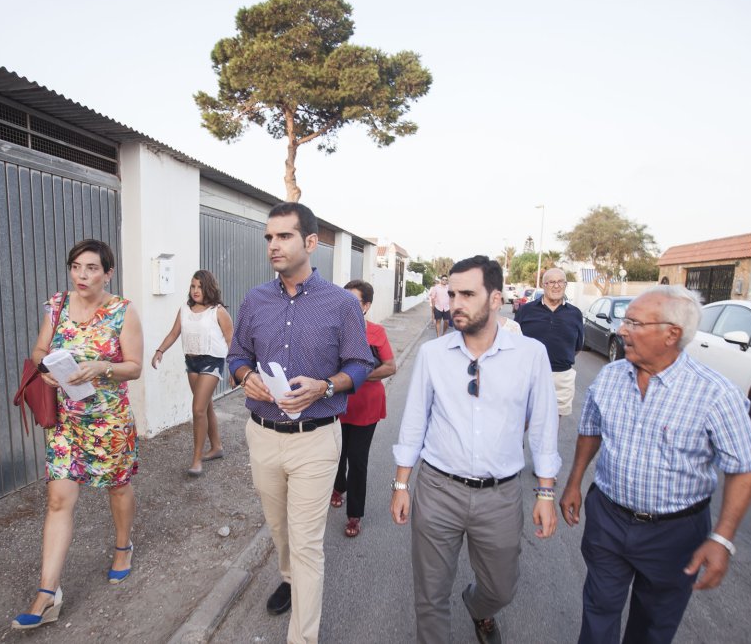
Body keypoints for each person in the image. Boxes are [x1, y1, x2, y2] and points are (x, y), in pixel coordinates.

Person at [559, 285, 751, 644]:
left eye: (635, 323)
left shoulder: (715, 394)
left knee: (653, 625)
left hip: (675, 533)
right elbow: (590, 431)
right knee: (599, 608)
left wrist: (723, 538)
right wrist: (574, 482)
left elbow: (742, 468)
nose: (622, 329)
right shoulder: (609, 377)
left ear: (672, 334)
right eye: (625, 321)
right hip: (608, 518)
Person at [391, 255, 561, 644]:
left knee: (501, 588)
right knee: (430, 596)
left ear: (496, 298)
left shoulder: (530, 354)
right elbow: (415, 419)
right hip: (437, 490)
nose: (456, 303)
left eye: (468, 294)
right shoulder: (434, 354)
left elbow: (544, 426)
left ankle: (479, 607)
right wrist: (402, 484)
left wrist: (546, 492)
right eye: (452, 294)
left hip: (500, 496)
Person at [227, 202, 375, 644]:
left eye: (284, 236)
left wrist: (326, 387)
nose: (274, 245)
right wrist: (245, 377)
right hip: (263, 436)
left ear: (310, 243)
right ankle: (288, 578)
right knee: (280, 529)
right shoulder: (255, 299)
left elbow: (361, 364)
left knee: (308, 542)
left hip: (316, 440)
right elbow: (235, 356)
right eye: (269, 237)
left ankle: (303, 637)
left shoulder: (341, 304)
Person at [12, 239, 143, 630]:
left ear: (108, 273)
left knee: (116, 487)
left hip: (108, 420)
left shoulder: (122, 312)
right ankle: (47, 593)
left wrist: (102, 366)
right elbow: (38, 350)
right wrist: (46, 369)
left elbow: (134, 367)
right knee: (58, 499)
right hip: (65, 419)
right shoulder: (57, 306)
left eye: (91, 268)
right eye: (76, 267)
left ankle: (123, 547)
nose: (82, 275)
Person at [330, 279, 397, 538]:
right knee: (336, 453)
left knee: (357, 460)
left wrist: (356, 376)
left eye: (353, 301)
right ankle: (338, 487)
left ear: (366, 306)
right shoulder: (333, 331)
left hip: (366, 405)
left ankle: (355, 514)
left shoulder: (376, 332)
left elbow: (390, 367)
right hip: (336, 403)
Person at [151, 270, 233, 476]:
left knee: (197, 410)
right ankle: (216, 447)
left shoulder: (218, 311)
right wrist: (159, 351)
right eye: (193, 286)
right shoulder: (184, 310)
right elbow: (173, 333)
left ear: (209, 288)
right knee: (206, 407)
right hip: (192, 362)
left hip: (212, 362)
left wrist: (235, 370)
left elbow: (232, 341)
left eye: (200, 287)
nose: (196, 291)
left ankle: (196, 460)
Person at [515, 267, 584, 420]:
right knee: (522, 421)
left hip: (561, 378)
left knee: (552, 425)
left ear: (565, 285)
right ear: (544, 285)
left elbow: (578, 347)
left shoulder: (575, 314)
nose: (556, 285)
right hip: (529, 375)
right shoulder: (526, 311)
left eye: (560, 282)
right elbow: (514, 341)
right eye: (551, 282)